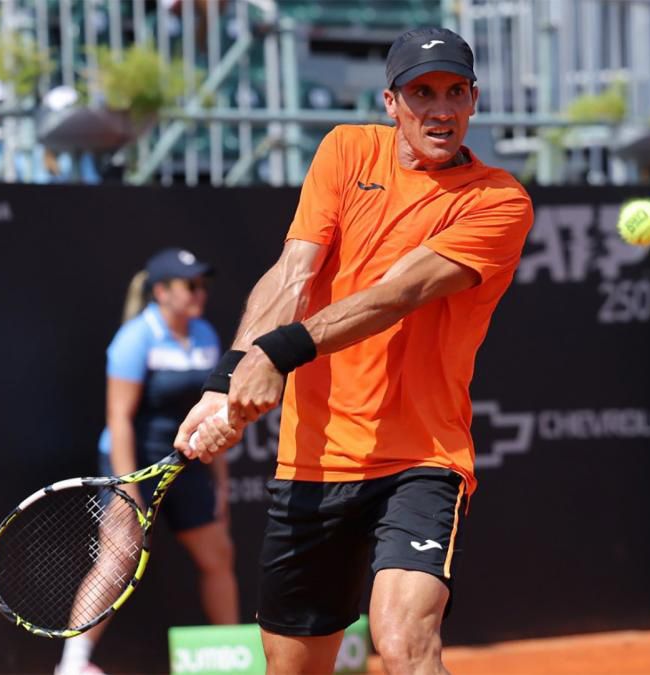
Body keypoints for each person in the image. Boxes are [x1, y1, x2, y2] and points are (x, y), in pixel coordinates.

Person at [174, 27, 533, 675]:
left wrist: (276, 354)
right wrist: (226, 380)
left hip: (422, 456)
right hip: (314, 459)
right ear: (391, 103)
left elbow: (398, 293)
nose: (441, 110)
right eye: (422, 93)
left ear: (475, 100)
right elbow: (294, 273)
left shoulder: (499, 201)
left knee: (404, 643)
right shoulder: (345, 151)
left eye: (455, 92)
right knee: (292, 667)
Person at [56, 248, 239, 675]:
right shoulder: (136, 338)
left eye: (203, 285)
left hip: (185, 462)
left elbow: (213, 414)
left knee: (218, 554)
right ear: (161, 292)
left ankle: (235, 654)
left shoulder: (206, 335)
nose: (200, 293)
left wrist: (220, 480)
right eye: (189, 285)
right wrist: (127, 488)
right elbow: (118, 417)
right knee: (118, 557)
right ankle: (72, 664)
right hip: (132, 461)